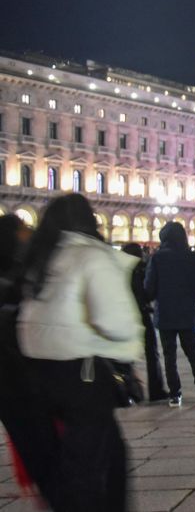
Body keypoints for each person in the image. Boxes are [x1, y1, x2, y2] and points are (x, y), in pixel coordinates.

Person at [17, 194, 141, 510]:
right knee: (93, 466)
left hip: (38, 374)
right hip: (81, 374)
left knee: (88, 457)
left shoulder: (41, 257)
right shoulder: (91, 256)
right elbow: (117, 323)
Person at [0, 214, 57, 505]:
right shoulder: (23, 273)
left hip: (20, 376)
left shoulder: (25, 270)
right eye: (23, 231)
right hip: (25, 372)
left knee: (30, 443)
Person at [146, 222, 195, 408]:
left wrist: (160, 296)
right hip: (186, 313)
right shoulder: (193, 258)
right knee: (193, 354)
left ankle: (174, 395)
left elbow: (149, 288)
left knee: (169, 356)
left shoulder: (157, 258)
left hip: (165, 314)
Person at [121, 243, 169, 402]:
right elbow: (147, 291)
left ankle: (126, 391)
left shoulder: (117, 270)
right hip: (141, 313)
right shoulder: (141, 268)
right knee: (151, 352)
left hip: (124, 315)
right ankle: (155, 390)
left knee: (125, 355)